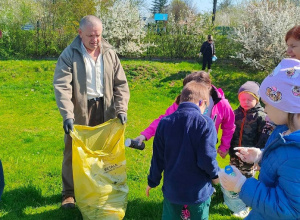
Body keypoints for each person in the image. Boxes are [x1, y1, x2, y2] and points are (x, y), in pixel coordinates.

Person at [53, 15, 130, 208]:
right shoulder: (69, 54)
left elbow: (120, 84)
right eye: (90, 36)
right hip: (80, 109)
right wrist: (67, 115)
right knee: (73, 151)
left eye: (98, 35)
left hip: (106, 109)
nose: (95, 40)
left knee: (105, 151)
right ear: (80, 33)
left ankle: (100, 188)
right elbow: (62, 86)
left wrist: (121, 108)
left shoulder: (110, 53)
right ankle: (69, 194)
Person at [219, 58, 300, 220]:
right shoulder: (283, 130)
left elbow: (290, 210)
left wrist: (241, 185)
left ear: (288, 106)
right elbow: (278, 165)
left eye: (267, 103)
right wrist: (260, 156)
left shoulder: (296, 155)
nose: (265, 108)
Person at [146, 81, 220, 220]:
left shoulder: (164, 122)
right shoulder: (206, 123)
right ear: (201, 103)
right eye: (206, 106)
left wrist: (152, 181)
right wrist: (215, 176)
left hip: (172, 189)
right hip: (198, 190)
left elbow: (157, 158)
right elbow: (207, 158)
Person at [134, 71, 235, 159]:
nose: (189, 94)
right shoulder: (184, 101)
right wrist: (145, 135)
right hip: (184, 147)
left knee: (205, 175)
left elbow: (229, 126)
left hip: (207, 148)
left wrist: (224, 146)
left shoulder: (222, 104)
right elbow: (164, 119)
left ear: (207, 88)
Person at [224, 81, 274, 218]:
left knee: (246, 177)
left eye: (250, 99)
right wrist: (227, 148)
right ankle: (232, 194)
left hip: (250, 156)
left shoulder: (261, 116)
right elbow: (229, 132)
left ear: (257, 99)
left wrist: (258, 157)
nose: (245, 102)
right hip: (235, 153)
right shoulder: (235, 114)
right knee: (233, 173)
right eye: (242, 99)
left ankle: (246, 200)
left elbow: (263, 137)